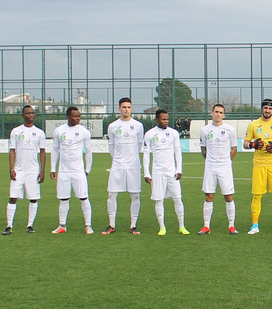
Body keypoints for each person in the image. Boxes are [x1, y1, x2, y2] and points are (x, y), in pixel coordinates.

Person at [244, 98, 272, 234]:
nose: (267, 111)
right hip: (259, 165)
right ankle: (254, 225)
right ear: (262, 109)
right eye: (265, 108)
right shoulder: (253, 125)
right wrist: (252, 144)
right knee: (257, 195)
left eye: (270, 109)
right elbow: (245, 143)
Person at [142, 109, 189, 235]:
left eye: (167, 119)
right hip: (157, 172)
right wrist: (146, 173)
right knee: (159, 200)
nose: (166, 121)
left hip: (171, 172)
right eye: (163, 119)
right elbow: (146, 155)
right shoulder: (150, 134)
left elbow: (177, 152)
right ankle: (162, 227)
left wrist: (179, 169)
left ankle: (181, 226)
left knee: (178, 198)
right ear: (157, 119)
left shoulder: (173, 133)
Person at [103, 97, 144, 234]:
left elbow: (139, 145)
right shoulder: (113, 126)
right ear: (119, 108)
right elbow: (111, 146)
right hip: (118, 165)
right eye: (124, 107)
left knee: (135, 195)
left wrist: (131, 158)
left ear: (131, 108)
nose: (126, 109)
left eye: (128, 107)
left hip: (133, 165)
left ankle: (133, 225)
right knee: (112, 194)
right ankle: (111, 225)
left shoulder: (138, 126)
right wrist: (119, 159)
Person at [50, 106, 94, 234]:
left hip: (78, 171)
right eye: (75, 116)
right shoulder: (59, 131)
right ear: (68, 116)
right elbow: (55, 150)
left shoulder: (84, 131)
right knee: (63, 199)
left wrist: (87, 169)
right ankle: (62, 225)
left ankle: (88, 225)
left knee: (84, 198)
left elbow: (89, 151)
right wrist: (53, 168)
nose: (78, 118)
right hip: (63, 171)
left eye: (79, 116)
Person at [4, 104, 46, 235]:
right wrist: (11, 168)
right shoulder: (16, 131)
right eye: (28, 113)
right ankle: (9, 226)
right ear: (23, 115)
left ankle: (30, 225)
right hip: (19, 170)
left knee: (33, 199)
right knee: (13, 197)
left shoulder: (39, 132)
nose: (31, 115)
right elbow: (12, 151)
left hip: (33, 170)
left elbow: (43, 152)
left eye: (33, 113)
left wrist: (42, 170)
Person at [198, 104, 238, 234]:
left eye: (221, 112)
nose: (218, 114)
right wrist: (210, 160)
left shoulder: (229, 129)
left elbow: (234, 148)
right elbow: (203, 149)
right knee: (209, 196)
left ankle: (231, 225)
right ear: (211, 113)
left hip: (225, 167)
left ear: (224, 115)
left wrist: (226, 161)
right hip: (210, 167)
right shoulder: (205, 130)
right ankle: (206, 226)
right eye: (216, 112)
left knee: (228, 196)